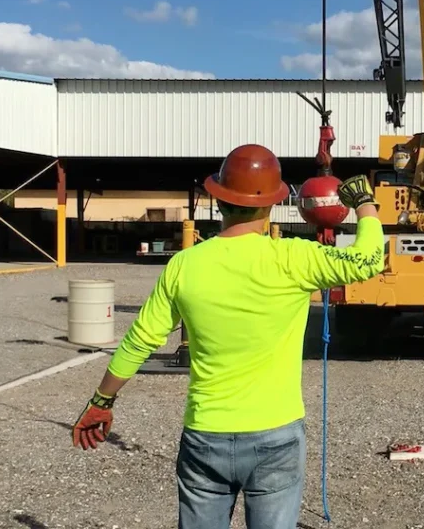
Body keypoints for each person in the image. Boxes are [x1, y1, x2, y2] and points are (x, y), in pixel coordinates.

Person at [70, 143, 386, 529]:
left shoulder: (185, 265)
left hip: (206, 437)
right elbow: (369, 259)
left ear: (218, 200)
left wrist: (102, 401)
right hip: (276, 435)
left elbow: (140, 340)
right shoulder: (295, 259)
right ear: (272, 205)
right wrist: (365, 205)